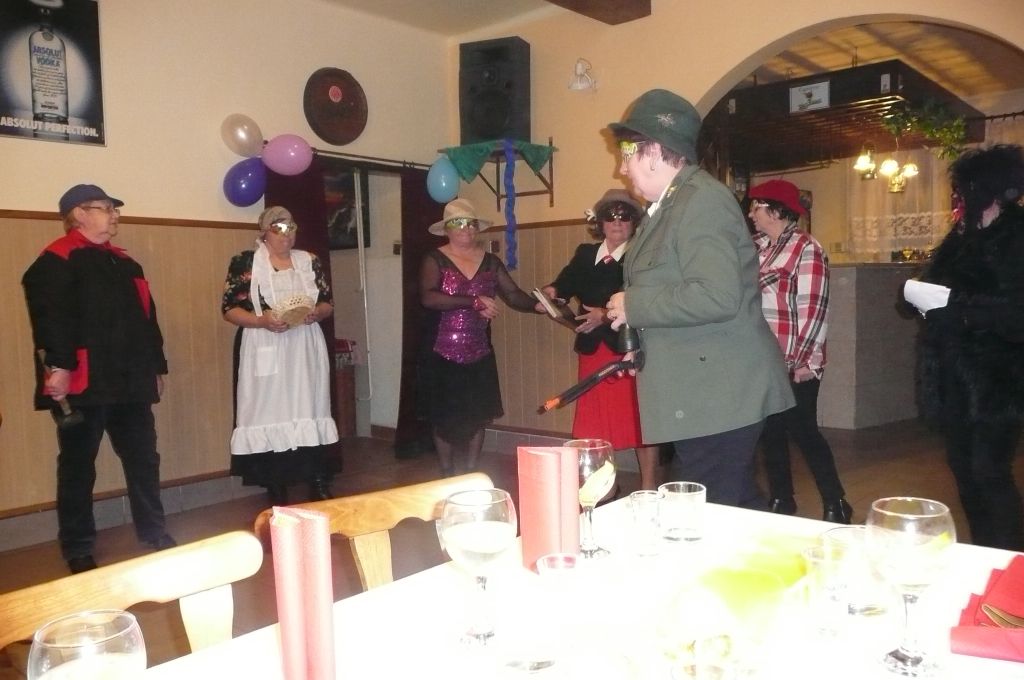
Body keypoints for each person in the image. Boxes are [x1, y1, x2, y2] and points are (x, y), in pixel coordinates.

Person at [604, 89, 794, 508]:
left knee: (714, 511)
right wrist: (643, 338)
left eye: (627, 154)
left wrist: (633, 305)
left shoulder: (702, 200)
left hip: (719, 392)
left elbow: (717, 295)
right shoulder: (672, 205)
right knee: (730, 504)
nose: (622, 168)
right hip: (702, 391)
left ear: (654, 151)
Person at [22, 184, 176, 574]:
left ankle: (154, 531)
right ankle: (77, 547)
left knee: (144, 460)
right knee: (78, 467)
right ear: (79, 214)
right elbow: (50, 321)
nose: (114, 215)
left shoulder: (127, 264)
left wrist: (156, 367)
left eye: (113, 209)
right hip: (83, 383)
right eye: (106, 208)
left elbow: (147, 321)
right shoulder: (55, 260)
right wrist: (58, 367)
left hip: (131, 381)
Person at [905, 144, 1024, 551]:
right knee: (963, 469)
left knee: (989, 470)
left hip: (999, 380)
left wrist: (961, 311)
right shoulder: (960, 238)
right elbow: (936, 286)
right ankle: (983, 551)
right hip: (953, 374)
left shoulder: (1017, 236)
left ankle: (1009, 558)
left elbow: (1016, 312)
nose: (958, 196)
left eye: (964, 188)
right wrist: (912, 297)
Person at [541, 188, 667, 489]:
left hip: (628, 351)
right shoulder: (586, 253)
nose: (617, 222)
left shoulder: (641, 255)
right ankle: (603, 488)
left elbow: (644, 298)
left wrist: (604, 314)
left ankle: (649, 487)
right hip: (592, 351)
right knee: (594, 425)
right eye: (610, 216)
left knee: (640, 421)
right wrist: (551, 293)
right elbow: (565, 282)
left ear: (634, 222)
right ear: (600, 222)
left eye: (625, 216)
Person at [747, 179, 852, 523]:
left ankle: (836, 501)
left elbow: (815, 308)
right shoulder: (757, 248)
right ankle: (782, 497)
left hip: (796, 361)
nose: (751, 214)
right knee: (771, 431)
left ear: (776, 211)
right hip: (763, 358)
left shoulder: (807, 248)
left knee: (804, 431)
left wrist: (801, 360)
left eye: (756, 207)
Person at [222, 206, 339, 506]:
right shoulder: (246, 262)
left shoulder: (309, 261)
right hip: (264, 342)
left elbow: (327, 303)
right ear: (265, 232)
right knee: (269, 409)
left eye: (291, 228)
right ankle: (276, 484)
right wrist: (261, 320)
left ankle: (317, 478)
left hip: (304, 345)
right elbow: (230, 309)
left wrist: (316, 312)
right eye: (279, 229)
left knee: (309, 405)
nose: (286, 235)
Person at [418, 198, 538, 476]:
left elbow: (513, 294)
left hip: (479, 350)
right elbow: (429, 298)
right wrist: (473, 301)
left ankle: (472, 471)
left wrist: (537, 305)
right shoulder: (434, 259)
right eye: (459, 223)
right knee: (443, 416)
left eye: (471, 223)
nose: (466, 229)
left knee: (478, 415)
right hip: (441, 350)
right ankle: (447, 472)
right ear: (447, 228)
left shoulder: (490, 262)